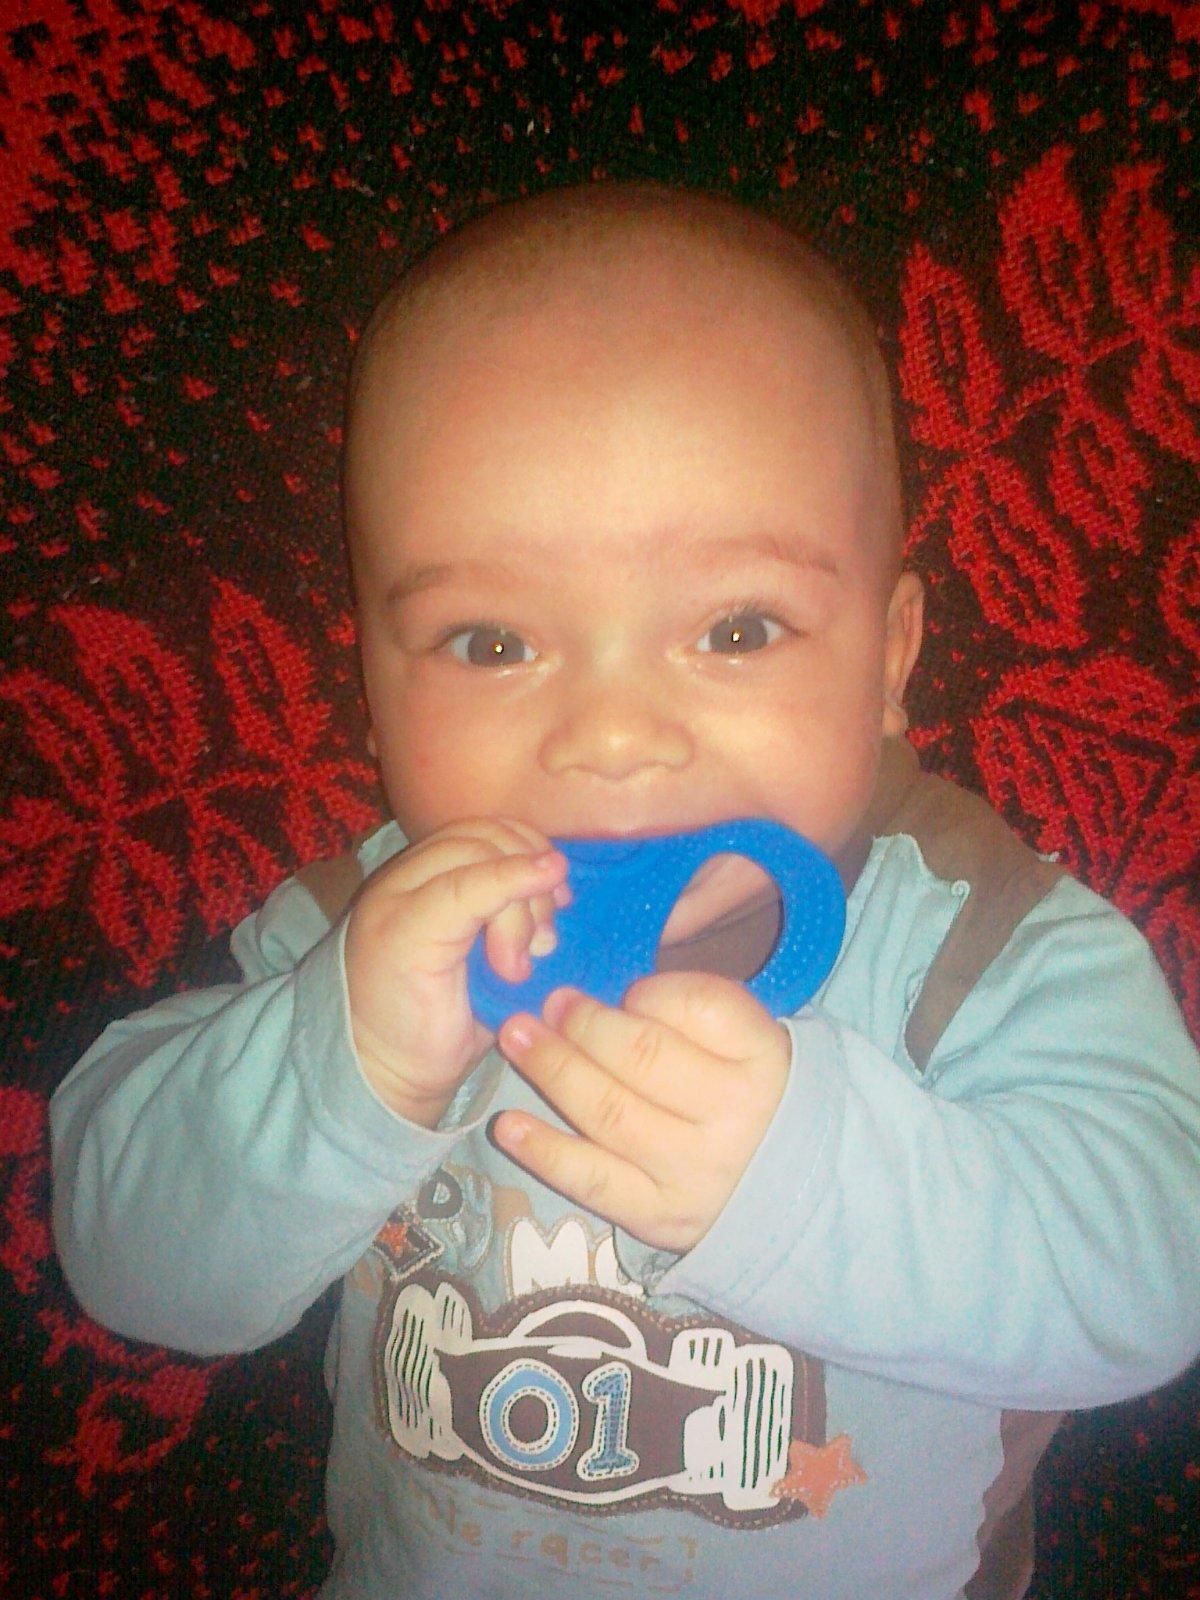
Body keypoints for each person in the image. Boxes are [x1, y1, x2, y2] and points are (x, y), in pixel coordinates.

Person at [50, 184, 1200, 1600]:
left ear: (891, 658)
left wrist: (802, 1176)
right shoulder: (356, 934)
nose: (609, 736)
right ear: (371, 687)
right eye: (491, 642)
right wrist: (335, 1063)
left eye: (737, 628)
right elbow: (127, 1264)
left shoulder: (981, 941)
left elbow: (1159, 1278)